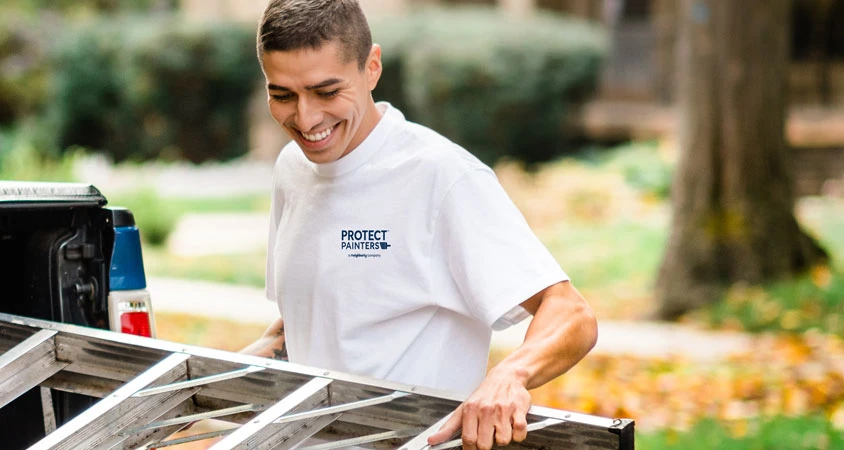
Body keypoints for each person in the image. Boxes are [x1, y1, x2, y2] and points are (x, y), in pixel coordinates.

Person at [236, 1, 599, 449]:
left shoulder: (442, 177)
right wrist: (206, 385)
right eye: (283, 95)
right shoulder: (293, 168)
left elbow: (570, 312)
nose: (306, 119)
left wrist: (510, 375)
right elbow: (306, 322)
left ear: (372, 68)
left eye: (327, 92)